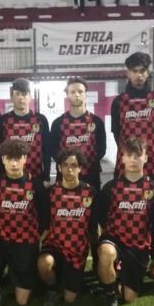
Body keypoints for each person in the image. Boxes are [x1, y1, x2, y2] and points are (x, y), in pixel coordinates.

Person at [0, 139, 49, 306]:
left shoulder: (36, 185)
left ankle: (22, 274)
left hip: (26, 243)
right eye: (9, 159)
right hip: (1, 239)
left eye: (17, 158)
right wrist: (1, 232)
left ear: (25, 158)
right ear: (3, 159)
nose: (13, 163)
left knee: (22, 301)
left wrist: (32, 237)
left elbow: (43, 217)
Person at [111, 52, 154, 280]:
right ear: (127, 73)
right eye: (134, 71)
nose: (138, 75)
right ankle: (121, 258)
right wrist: (130, 157)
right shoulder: (119, 102)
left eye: (142, 71)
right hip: (124, 166)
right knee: (122, 212)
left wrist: (145, 155)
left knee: (151, 216)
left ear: (148, 72)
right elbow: (117, 133)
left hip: (150, 165)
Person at [95, 137, 154, 306]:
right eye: (130, 155)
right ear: (123, 158)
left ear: (145, 158)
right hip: (114, 239)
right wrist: (113, 232)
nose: (134, 160)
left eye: (138, 155)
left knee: (130, 297)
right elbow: (102, 217)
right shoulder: (110, 188)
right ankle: (110, 298)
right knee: (106, 253)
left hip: (138, 244)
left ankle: (116, 277)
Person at [49, 76, 105, 271]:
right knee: (65, 218)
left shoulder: (96, 122)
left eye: (80, 91)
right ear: (67, 95)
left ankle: (97, 262)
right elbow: (54, 150)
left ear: (86, 94)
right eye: (72, 92)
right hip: (66, 178)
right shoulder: (58, 123)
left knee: (93, 222)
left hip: (90, 176)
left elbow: (101, 149)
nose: (76, 95)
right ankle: (63, 259)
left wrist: (80, 165)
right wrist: (69, 168)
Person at [38, 148, 97, 306]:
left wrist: (96, 255)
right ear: (59, 167)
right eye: (65, 165)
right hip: (55, 244)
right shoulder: (50, 192)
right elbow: (44, 223)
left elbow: (93, 227)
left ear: (80, 168)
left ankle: (68, 278)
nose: (69, 169)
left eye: (74, 165)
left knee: (70, 298)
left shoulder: (90, 193)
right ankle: (53, 289)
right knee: (43, 263)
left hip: (77, 249)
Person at [0, 78, 51, 184]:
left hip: (36, 176)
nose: (21, 97)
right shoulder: (3, 120)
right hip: (10, 177)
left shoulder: (41, 119)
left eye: (24, 94)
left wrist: (47, 176)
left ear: (30, 97)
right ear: (11, 97)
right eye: (17, 94)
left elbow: (46, 150)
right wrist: (1, 175)